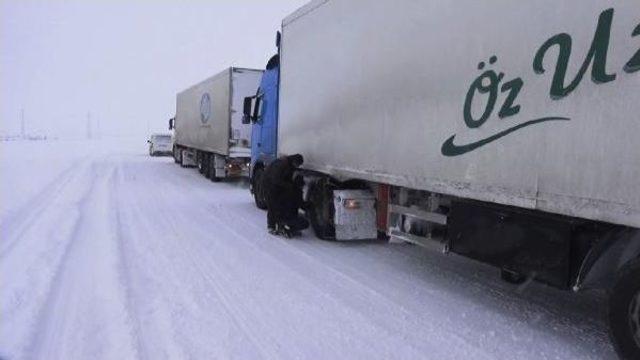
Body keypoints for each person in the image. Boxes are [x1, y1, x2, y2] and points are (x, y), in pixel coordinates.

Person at [262, 154, 309, 237]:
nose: (298, 166)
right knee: (272, 204)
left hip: (279, 186)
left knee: (278, 206)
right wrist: (288, 185)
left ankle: (284, 225)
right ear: (294, 161)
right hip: (270, 185)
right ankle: (272, 226)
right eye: (297, 164)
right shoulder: (281, 165)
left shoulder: (290, 166)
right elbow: (275, 179)